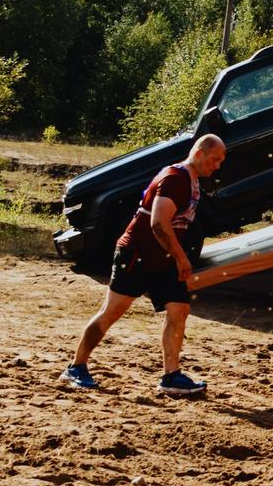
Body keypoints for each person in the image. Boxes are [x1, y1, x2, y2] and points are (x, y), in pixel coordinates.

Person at [64, 134, 227, 396]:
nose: (217, 166)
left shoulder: (192, 180)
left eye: (220, 162)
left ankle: (171, 376)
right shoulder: (174, 179)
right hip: (136, 254)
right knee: (112, 312)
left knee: (179, 310)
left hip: (163, 257)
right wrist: (181, 257)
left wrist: (176, 256)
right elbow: (158, 224)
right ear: (198, 154)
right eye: (214, 159)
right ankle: (76, 367)